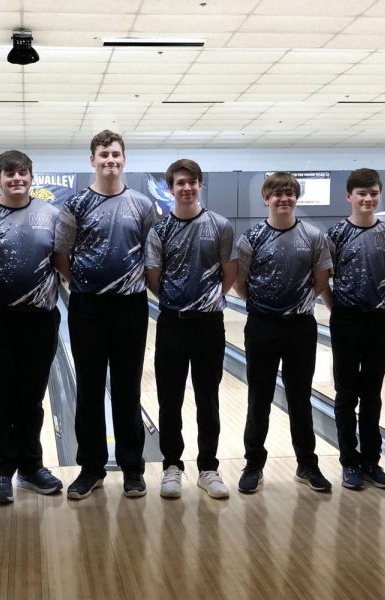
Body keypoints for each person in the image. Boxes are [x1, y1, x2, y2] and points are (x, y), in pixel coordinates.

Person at [54, 130, 157, 499]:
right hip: (88, 306)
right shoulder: (76, 205)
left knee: (128, 390)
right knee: (90, 389)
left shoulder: (144, 205)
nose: (110, 161)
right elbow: (62, 255)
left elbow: (151, 255)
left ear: (124, 159)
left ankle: (132, 468)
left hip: (130, 306)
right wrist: (83, 284)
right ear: (92, 160)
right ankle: (91, 468)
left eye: (115, 155)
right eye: (103, 155)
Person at [0, 150, 64, 505]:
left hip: (39, 318)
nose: (16, 179)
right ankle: (2, 472)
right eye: (9, 174)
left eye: (22, 173)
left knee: (32, 396)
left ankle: (31, 467)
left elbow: (61, 262)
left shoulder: (51, 215)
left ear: (31, 177)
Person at [233, 171, 333, 494]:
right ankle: (253, 465)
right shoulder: (251, 239)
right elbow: (240, 283)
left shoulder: (314, 237)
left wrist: (293, 307)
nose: (284, 198)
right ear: (266, 198)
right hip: (262, 326)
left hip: (301, 327)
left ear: (296, 197)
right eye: (277, 194)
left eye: (289, 193)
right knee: (258, 397)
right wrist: (266, 308)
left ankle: (307, 464)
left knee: (300, 397)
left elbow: (320, 282)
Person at [144, 159, 237, 500]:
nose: (186, 187)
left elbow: (229, 273)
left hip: (209, 324)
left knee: (207, 399)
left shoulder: (220, 226)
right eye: (180, 183)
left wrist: (206, 301)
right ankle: (172, 466)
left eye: (192, 182)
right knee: (170, 400)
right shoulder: (159, 230)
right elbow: (153, 276)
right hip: (172, 323)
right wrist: (176, 301)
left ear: (200, 185)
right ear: (171, 188)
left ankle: (208, 468)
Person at [322, 168, 385, 490]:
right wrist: (336, 310)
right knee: (346, 394)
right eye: (361, 193)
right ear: (349, 196)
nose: (368, 198)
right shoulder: (335, 233)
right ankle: (349, 463)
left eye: (373, 193)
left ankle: (371, 461)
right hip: (345, 320)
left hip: (379, 320)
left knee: (372, 395)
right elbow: (323, 280)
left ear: (379, 194)